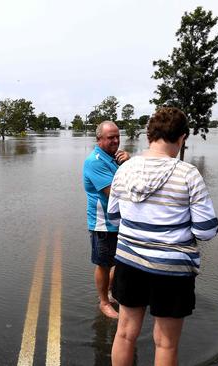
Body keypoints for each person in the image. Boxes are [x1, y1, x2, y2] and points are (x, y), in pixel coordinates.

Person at [108, 107, 218, 366]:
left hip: (129, 261)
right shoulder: (188, 174)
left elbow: (113, 219)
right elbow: (206, 230)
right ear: (182, 138)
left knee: (124, 334)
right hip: (172, 268)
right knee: (165, 343)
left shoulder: (123, 170)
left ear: (149, 136)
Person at [83, 121, 130, 319]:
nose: (116, 140)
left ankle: (109, 292)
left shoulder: (113, 158)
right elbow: (113, 193)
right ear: (99, 139)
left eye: (117, 136)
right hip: (103, 223)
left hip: (119, 221)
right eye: (111, 137)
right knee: (103, 264)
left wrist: (129, 162)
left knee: (119, 262)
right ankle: (104, 302)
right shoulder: (95, 161)